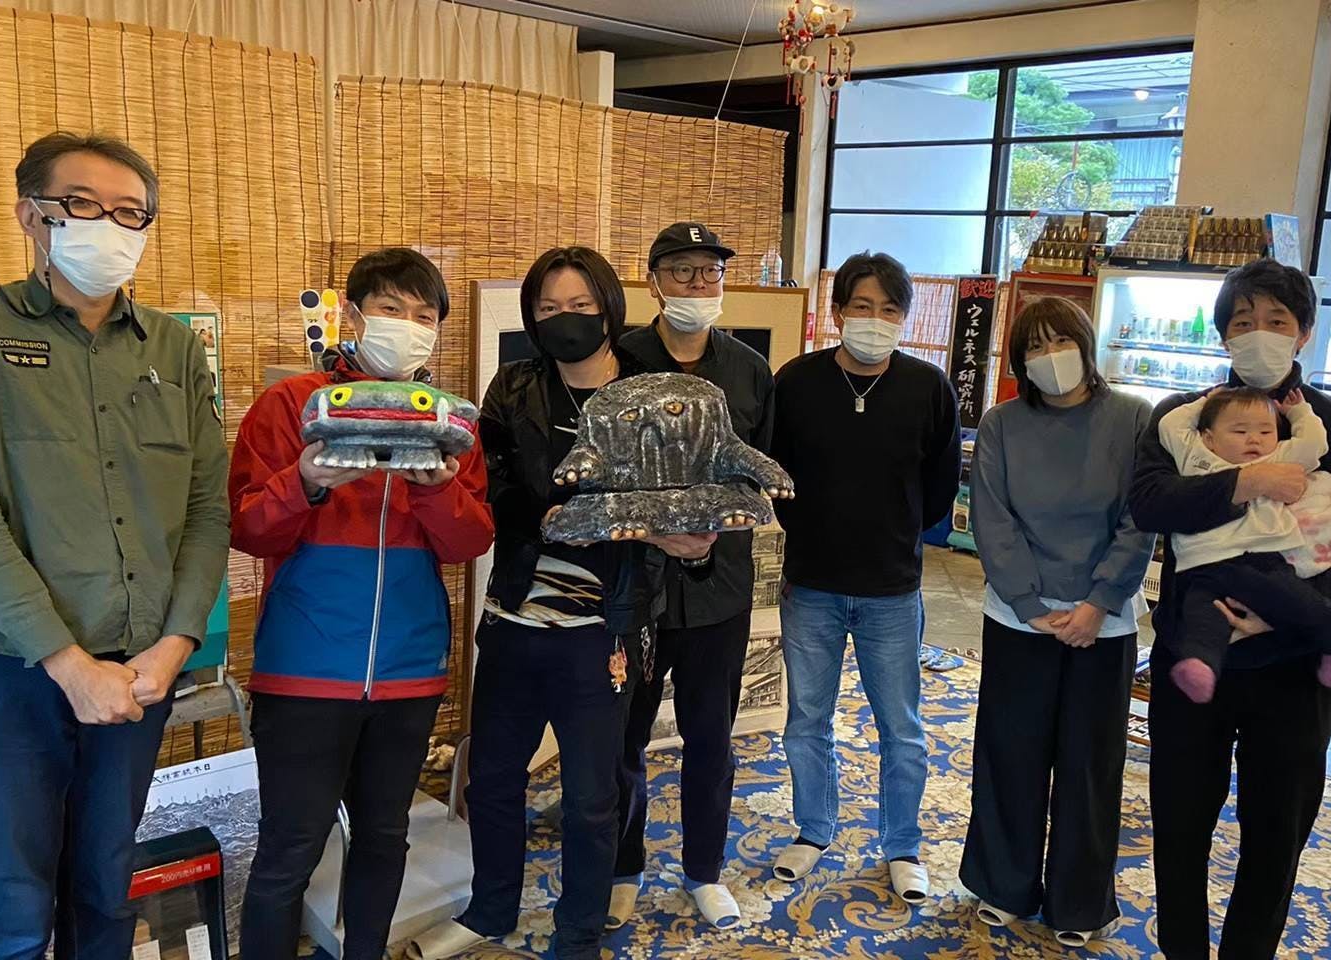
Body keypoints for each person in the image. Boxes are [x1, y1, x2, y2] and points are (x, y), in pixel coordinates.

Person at [0, 131, 229, 959]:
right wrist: (66, 662)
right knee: (15, 895)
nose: (110, 226)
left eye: (131, 213)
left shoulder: (174, 350)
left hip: (138, 669)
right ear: (32, 215)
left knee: (106, 882)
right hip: (9, 669)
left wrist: (177, 643)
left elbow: (207, 510)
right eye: (83, 205)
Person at [410, 247, 716, 960]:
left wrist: (688, 543)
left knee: (590, 796)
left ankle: (577, 933)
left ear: (609, 308)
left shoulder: (651, 392)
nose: (564, 319)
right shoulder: (514, 386)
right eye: (548, 308)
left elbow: (681, 498)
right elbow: (493, 489)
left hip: (602, 631)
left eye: (579, 305)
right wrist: (562, 514)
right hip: (516, 617)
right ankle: (491, 909)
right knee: (493, 779)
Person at [1130, 258, 1331, 960]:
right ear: (1223, 335)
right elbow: (1149, 503)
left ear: (1304, 333)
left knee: (1277, 833)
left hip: (1294, 668)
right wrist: (1246, 480)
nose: (1259, 335)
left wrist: (1295, 610)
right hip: (1193, 656)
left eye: (1277, 321)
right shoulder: (1184, 419)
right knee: (1179, 826)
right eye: (1243, 322)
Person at [230, 247, 495, 959]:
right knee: (290, 848)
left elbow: (470, 541)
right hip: (304, 670)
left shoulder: (450, 424)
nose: (408, 326)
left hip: (409, 671)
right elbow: (249, 528)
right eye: (390, 308)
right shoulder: (293, 405)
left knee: (385, 835)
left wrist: (437, 488)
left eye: (424, 316)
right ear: (352, 314)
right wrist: (305, 482)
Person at [959, 296, 1154, 948]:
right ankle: (1002, 884)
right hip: (1020, 618)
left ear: (1086, 344)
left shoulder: (1134, 417)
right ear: (1020, 361)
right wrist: (1030, 604)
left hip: (1105, 621)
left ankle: (1081, 901)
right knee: (1009, 755)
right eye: (1034, 347)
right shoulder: (1002, 423)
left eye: (1060, 341)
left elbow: (1140, 519)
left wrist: (1098, 602)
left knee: (1090, 765)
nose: (1050, 356)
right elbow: (992, 519)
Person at [768, 250, 961, 902]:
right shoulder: (797, 382)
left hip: (892, 589)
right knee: (807, 720)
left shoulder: (928, 387)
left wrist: (894, 534)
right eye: (862, 306)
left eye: (889, 309)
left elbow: (939, 490)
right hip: (811, 585)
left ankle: (902, 844)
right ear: (837, 312)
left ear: (904, 318)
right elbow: (777, 476)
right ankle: (813, 829)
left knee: (901, 729)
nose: (875, 319)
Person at [610, 223, 776, 929]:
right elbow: (602, 465)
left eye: (710, 273)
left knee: (712, 738)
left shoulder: (749, 369)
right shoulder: (619, 359)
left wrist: (714, 523)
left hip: (719, 589)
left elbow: (758, 472)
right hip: (634, 588)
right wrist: (653, 525)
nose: (698, 285)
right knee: (623, 738)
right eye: (682, 272)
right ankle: (622, 866)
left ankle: (704, 870)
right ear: (653, 282)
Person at [1156, 385, 1331, 703]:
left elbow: (1314, 443)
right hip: (1200, 565)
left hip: (1259, 561)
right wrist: (1203, 403)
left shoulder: (1278, 458)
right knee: (1201, 619)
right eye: (1240, 431)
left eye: (1266, 431)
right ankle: (1200, 667)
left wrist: (1299, 413)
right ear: (1208, 437)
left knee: (1306, 606)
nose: (1254, 440)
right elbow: (1169, 425)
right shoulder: (1195, 455)